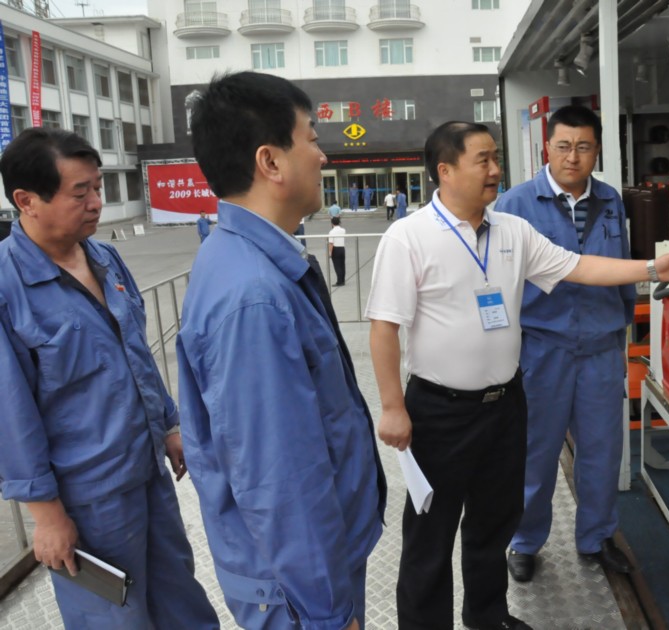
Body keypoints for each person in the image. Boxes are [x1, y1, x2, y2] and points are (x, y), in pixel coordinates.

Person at [365, 121, 669, 630]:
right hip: (438, 411)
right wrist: (393, 407)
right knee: (430, 536)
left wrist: (655, 269)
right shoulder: (408, 237)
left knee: (492, 523)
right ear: (446, 170)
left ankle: (487, 617)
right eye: (482, 160)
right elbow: (384, 327)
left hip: (505, 404)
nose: (495, 169)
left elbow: (579, 267)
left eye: (495, 158)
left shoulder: (511, 230)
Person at [177, 71, 386, 630]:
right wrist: (328, 613)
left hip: (305, 571)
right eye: (312, 138)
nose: (323, 156)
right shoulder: (254, 298)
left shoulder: (245, 258)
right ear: (270, 162)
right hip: (300, 591)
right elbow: (280, 478)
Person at [0, 128, 218, 629]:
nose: (96, 203)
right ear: (26, 200)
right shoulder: (9, 289)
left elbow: (136, 352)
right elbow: (10, 414)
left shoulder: (104, 258)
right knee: (113, 617)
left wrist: (168, 425)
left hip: (147, 470)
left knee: (180, 597)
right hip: (87, 497)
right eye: (81, 193)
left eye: (98, 188)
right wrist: (47, 515)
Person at [494, 105, 636, 583]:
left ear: (597, 151)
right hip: (541, 349)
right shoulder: (515, 204)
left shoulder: (611, 200)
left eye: (583, 147)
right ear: (546, 148)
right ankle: (524, 541)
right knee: (534, 453)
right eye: (563, 146)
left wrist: (621, 336)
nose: (572, 157)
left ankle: (596, 538)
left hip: (601, 349)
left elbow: (622, 270)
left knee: (602, 451)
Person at [329, 215, 346, 286]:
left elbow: (331, 243)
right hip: (342, 248)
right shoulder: (343, 230)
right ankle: (343, 280)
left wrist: (330, 253)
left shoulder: (331, 232)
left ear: (332, 223)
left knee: (337, 266)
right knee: (342, 265)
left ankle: (339, 281)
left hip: (335, 249)